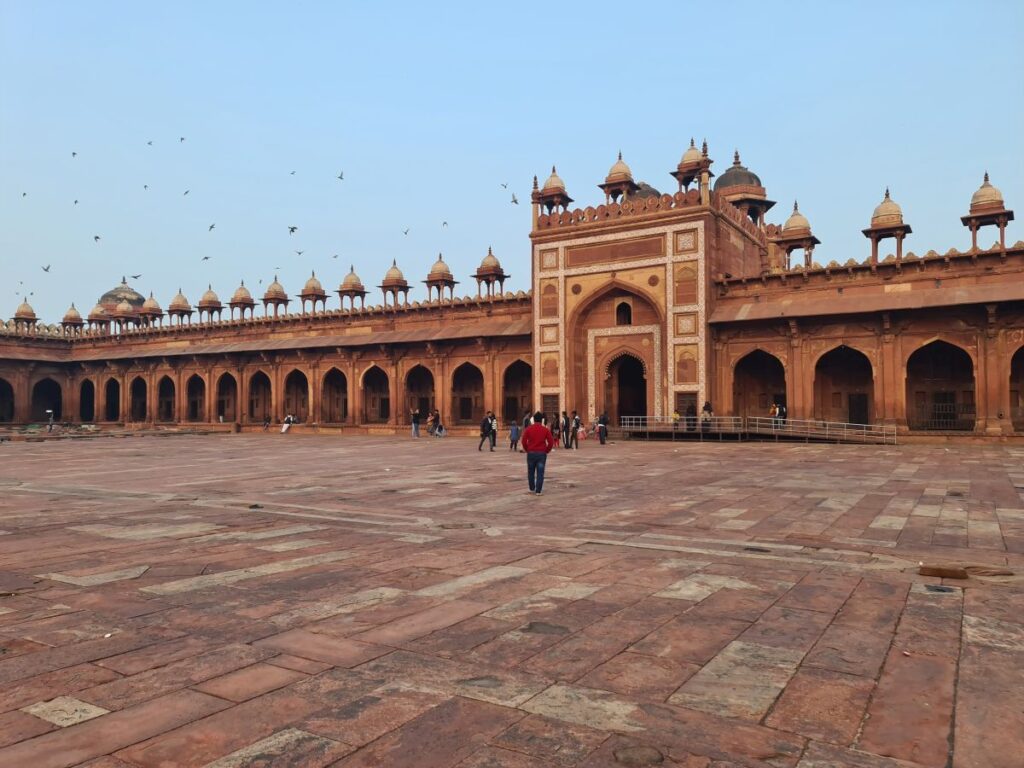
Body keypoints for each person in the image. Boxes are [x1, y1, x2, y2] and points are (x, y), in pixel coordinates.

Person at [521, 411, 555, 495]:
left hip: (531, 453)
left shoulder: (529, 429)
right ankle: (538, 491)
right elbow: (551, 442)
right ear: (542, 420)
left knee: (531, 471)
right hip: (541, 453)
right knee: (540, 472)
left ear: (534, 419)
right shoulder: (545, 429)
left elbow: (523, 441)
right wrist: (546, 450)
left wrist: (527, 449)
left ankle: (532, 488)